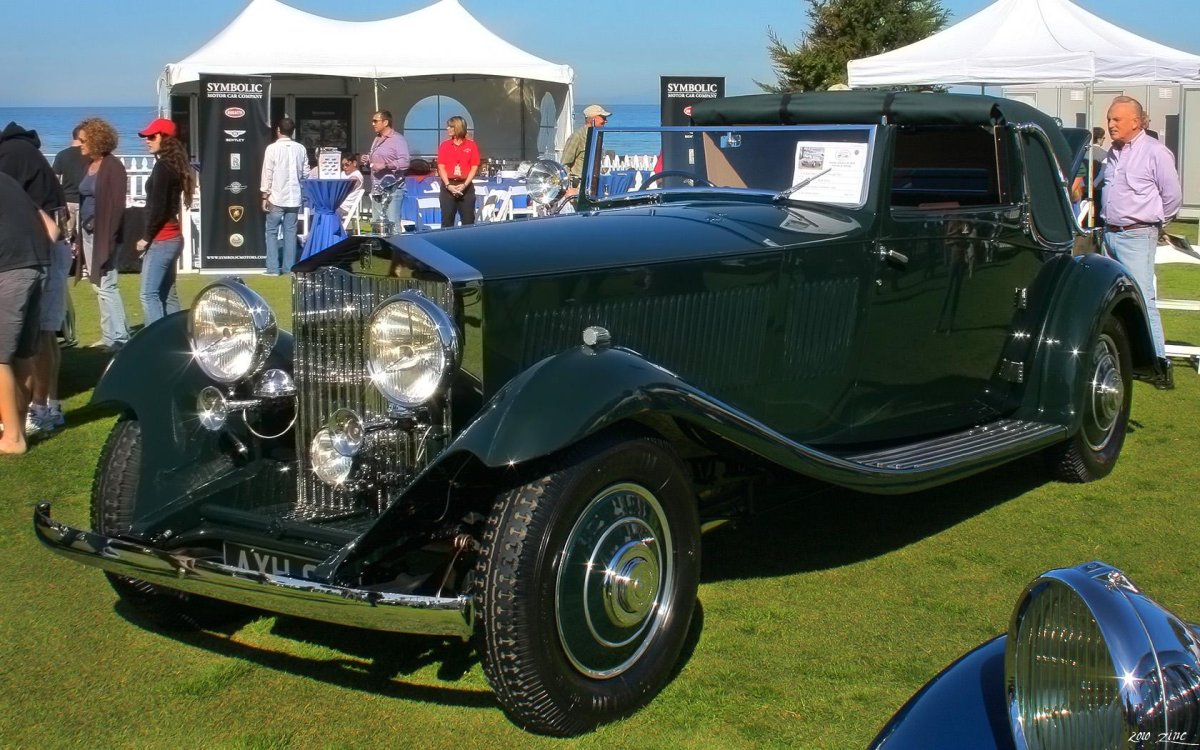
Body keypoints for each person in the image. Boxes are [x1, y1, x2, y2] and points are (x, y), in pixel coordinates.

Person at [1100, 95, 1180, 389]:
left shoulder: (1155, 152)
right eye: (1109, 119)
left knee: (1143, 298)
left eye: (1116, 119)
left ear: (1136, 122)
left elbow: (1173, 197)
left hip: (1136, 235)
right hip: (1109, 234)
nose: (1110, 124)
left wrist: (1154, 224)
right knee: (1110, 298)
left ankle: (1158, 365)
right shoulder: (1112, 153)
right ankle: (1122, 356)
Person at [0, 121, 69, 436]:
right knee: (40, 337)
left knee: (25, 343)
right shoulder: (23, 153)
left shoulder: (10, 155)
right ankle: (45, 407)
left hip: (28, 255)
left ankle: (36, 412)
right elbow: (50, 224)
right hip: (45, 250)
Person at [0, 172, 55, 454]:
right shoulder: (8, 180)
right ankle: (18, 430)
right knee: (21, 354)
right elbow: (52, 229)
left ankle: (12, 438)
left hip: (8, 267)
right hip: (37, 264)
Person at [77, 117, 131, 351]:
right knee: (98, 285)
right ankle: (109, 335)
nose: (79, 144)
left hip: (104, 235)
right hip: (88, 232)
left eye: (83, 140)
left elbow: (117, 206)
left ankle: (121, 337)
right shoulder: (89, 165)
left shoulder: (113, 167)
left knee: (107, 285)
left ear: (96, 140)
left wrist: (109, 239)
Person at [136, 118, 194, 325]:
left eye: (152, 137)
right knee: (168, 294)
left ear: (165, 138)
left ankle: (157, 339)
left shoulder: (163, 167)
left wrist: (146, 237)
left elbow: (158, 207)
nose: (147, 141)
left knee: (148, 294)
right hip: (172, 237)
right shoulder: (172, 165)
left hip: (163, 238)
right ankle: (178, 336)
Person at [260, 117, 307, 275]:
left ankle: (273, 268)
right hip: (294, 197)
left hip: (276, 196)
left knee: (272, 232)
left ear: (278, 130)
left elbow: (267, 173)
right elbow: (305, 173)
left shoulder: (272, 149)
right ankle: (289, 268)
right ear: (292, 131)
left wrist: (264, 195)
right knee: (290, 233)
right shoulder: (301, 148)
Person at [362, 110, 410, 229]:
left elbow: (405, 162)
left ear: (385, 122)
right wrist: (367, 160)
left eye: (375, 121)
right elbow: (376, 162)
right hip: (377, 189)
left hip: (393, 189)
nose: (373, 124)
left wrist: (386, 165)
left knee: (392, 225)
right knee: (377, 225)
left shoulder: (397, 139)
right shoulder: (377, 139)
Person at [436, 116, 481, 226]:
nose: (447, 129)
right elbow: (441, 167)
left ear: (458, 128)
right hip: (448, 186)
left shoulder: (471, 145)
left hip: (466, 186)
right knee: (447, 221)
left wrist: (465, 185)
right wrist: (448, 185)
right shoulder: (444, 145)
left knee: (468, 221)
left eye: (450, 126)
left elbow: (474, 167)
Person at [53, 125, 86, 241]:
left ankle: (67, 252)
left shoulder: (62, 155)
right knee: (85, 235)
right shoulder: (89, 155)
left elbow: (55, 179)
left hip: (67, 200)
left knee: (65, 235)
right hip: (85, 200)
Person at [562, 104, 610, 183]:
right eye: (603, 118)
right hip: (579, 185)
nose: (606, 121)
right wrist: (569, 186)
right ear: (593, 119)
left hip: (593, 183)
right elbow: (564, 164)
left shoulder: (597, 136)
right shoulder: (577, 136)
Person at [337, 151, 364, 222]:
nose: (344, 167)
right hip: (338, 203)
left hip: (344, 206)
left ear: (354, 163)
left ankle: (334, 228)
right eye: (342, 165)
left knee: (328, 210)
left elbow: (345, 189)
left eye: (347, 164)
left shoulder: (356, 176)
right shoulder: (343, 173)